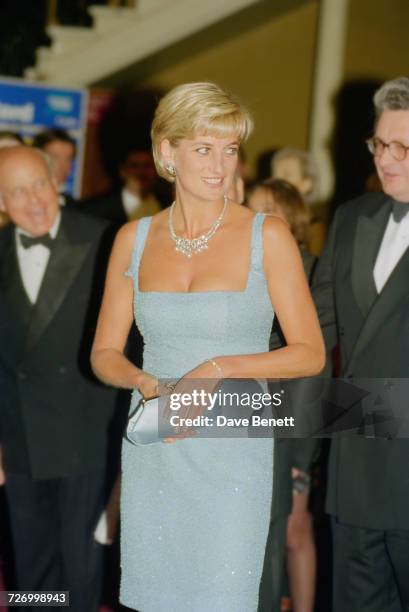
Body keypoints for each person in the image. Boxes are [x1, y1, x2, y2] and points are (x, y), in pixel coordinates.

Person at [91, 81, 324, 612]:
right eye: (203, 148)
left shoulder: (269, 235)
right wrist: (147, 383)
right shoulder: (133, 239)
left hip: (233, 448)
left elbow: (310, 352)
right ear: (167, 153)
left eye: (230, 149)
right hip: (157, 442)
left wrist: (219, 366)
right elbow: (104, 353)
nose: (221, 165)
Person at [0, 146, 117, 611]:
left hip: (86, 437)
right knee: (31, 568)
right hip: (20, 440)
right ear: (1, 201)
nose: (33, 200)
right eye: (17, 191)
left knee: (80, 567)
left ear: (57, 185)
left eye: (40, 185)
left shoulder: (102, 241)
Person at [312, 76, 409, 612]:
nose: (386, 159)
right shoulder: (351, 219)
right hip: (353, 468)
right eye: (379, 144)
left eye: (402, 147)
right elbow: (317, 330)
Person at [249, 179, 318, 612]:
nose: (253, 219)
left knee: (293, 531)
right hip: (249, 417)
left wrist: (301, 456)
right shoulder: (249, 265)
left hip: (296, 421)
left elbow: (315, 365)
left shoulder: (311, 269)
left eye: (265, 210)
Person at [80, 147, 163, 225]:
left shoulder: (167, 204)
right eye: (134, 165)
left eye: (147, 165)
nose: (141, 172)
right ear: (122, 171)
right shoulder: (97, 208)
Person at [272, 148, 326, 255]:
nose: (275, 181)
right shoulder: (268, 220)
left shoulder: (315, 230)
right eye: (274, 174)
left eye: (286, 175)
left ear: (307, 184)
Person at [32, 127, 77, 206]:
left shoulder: (76, 208)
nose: (63, 166)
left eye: (68, 159)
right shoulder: (22, 201)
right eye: (55, 157)